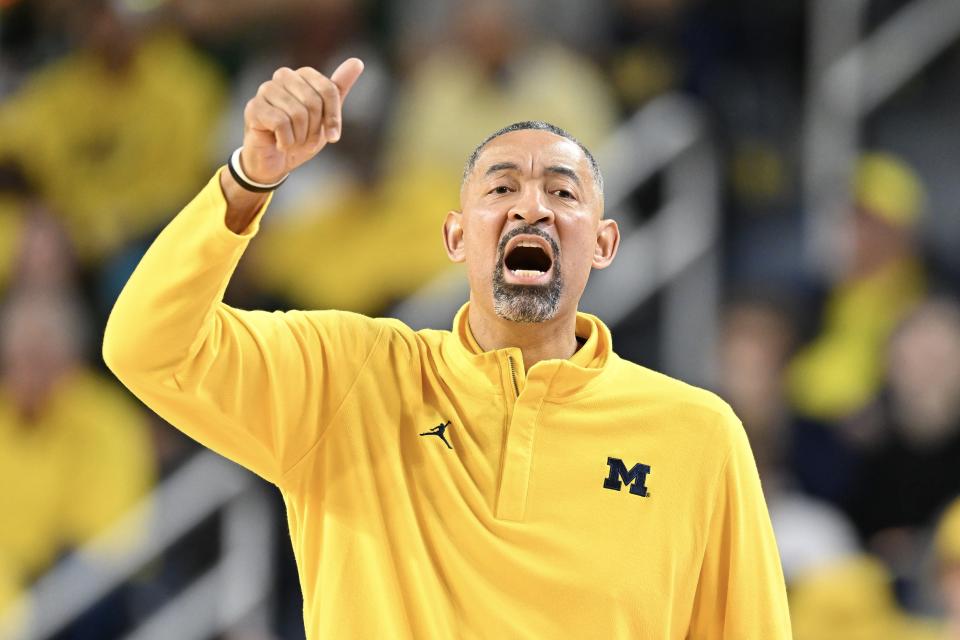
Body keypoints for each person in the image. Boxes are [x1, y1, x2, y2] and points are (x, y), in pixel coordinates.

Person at [103, 58, 791, 638]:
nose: (531, 208)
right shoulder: (349, 375)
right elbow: (147, 346)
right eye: (501, 187)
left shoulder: (698, 437)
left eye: (561, 189)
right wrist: (248, 179)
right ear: (457, 237)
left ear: (604, 243)